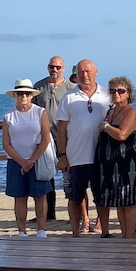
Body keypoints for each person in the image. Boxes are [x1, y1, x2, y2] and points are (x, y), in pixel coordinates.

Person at [56, 59, 110, 237]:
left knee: (102, 196)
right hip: (76, 156)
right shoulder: (68, 97)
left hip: (101, 156)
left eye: (87, 71)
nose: (84, 75)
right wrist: (62, 155)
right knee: (74, 197)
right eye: (80, 72)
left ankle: (104, 230)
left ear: (96, 71)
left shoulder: (107, 95)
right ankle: (75, 233)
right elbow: (61, 129)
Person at [92, 76, 136, 239]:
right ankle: (125, 236)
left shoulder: (131, 112)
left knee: (129, 200)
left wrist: (106, 126)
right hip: (112, 162)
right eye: (113, 91)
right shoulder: (111, 111)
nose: (116, 94)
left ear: (128, 93)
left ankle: (131, 238)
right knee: (120, 201)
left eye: (121, 91)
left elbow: (122, 135)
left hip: (128, 161)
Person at [1, 79, 51, 237]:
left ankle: (41, 229)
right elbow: (6, 143)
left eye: (27, 93)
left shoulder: (40, 112)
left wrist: (32, 160)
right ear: (15, 95)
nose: (24, 96)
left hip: (38, 161)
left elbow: (46, 139)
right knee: (19, 197)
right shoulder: (8, 116)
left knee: (40, 196)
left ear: (32, 95)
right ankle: (21, 230)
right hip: (16, 162)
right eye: (20, 93)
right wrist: (22, 161)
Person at [33, 55, 74, 221]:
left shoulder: (71, 87)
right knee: (45, 175)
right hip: (45, 138)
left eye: (58, 67)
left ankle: (76, 212)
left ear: (63, 68)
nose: (54, 70)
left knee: (71, 175)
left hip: (66, 136)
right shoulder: (39, 87)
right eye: (51, 66)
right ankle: (48, 213)